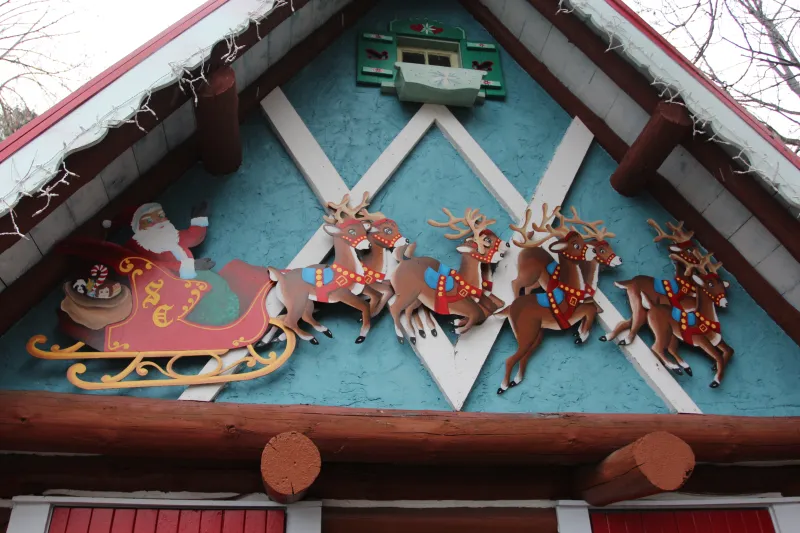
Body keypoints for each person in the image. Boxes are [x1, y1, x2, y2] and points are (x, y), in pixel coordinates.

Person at [105, 201, 215, 280]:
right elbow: (157, 267)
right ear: (138, 228)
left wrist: (198, 219)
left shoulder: (172, 236)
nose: (158, 222)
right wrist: (192, 266)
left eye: (160, 216)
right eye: (149, 220)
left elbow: (193, 237)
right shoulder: (140, 248)